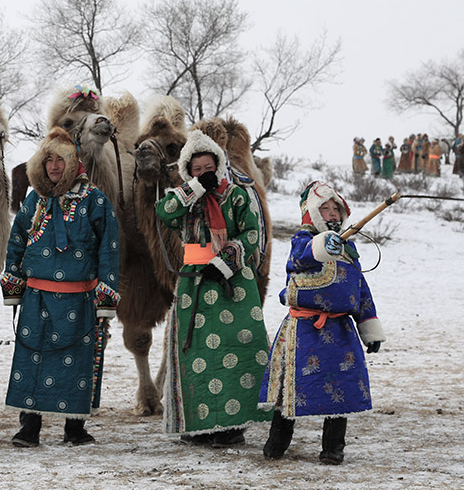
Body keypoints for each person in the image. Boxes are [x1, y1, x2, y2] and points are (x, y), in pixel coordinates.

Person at [1, 127, 120, 447]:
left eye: (61, 160)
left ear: (74, 162)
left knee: (77, 362)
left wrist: (106, 293)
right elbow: (16, 243)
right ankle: (30, 427)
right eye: (48, 159)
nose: (54, 166)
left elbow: (109, 248)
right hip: (36, 297)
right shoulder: (33, 201)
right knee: (31, 359)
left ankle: (75, 428)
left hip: (80, 297)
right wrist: (13, 283)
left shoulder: (95, 199)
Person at [155, 129, 272, 447]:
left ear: (218, 165)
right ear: (188, 172)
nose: (204, 174)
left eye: (208, 168)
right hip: (193, 283)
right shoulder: (184, 200)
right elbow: (163, 212)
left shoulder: (238, 195)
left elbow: (251, 233)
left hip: (230, 283)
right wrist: (193, 189)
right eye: (197, 170)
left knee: (232, 352)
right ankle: (198, 424)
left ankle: (232, 426)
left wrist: (225, 262)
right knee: (196, 354)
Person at [259, 181, 385, 465]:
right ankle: (277, 443)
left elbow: (360, 289)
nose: (331, 214)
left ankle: (333, 448)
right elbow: (300, 259)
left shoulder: (348, 249)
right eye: (324, 209)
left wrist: (369, 327)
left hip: (341, 332)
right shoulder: (302, 241)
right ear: (311, 214)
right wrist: (321, 246)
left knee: (340, 391)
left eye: (335, 208)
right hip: (304, 332)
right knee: (290, 390)